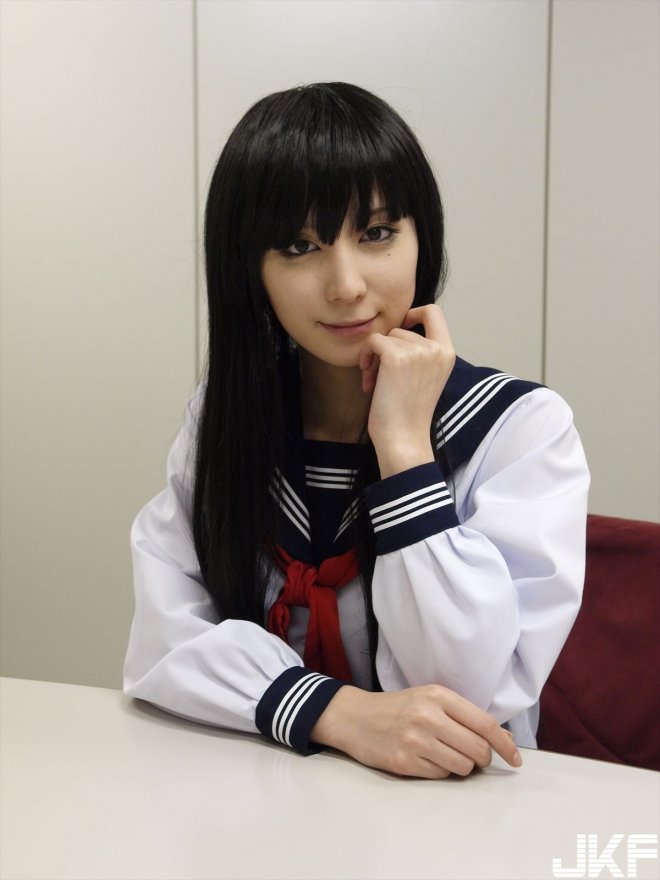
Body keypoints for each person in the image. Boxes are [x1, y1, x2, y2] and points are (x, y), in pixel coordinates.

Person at [124, 82, 590, 780]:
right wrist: (338, 714)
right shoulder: (225, 421)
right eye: (299, 245)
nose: (345, 285)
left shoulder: (518, 428)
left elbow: (470, 698)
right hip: (257, 794)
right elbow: (163, 641)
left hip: (456, 813)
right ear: (250, 271)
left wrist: (404, 454)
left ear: (421, 236)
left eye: (376, 234)